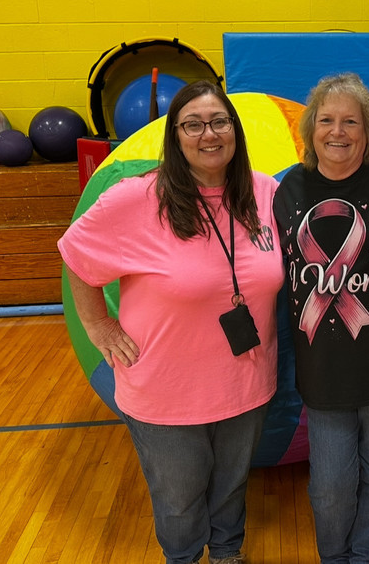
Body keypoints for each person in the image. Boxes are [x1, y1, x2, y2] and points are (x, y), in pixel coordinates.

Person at [57, 80, 283, 564]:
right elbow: (75, 255)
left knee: (230, 489)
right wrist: (100, 326)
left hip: (246, 380)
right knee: (179, 504)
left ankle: (227, 555)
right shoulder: (137, 199)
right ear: (175, 136)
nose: (209, 134)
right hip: (166, 390)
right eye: (193, 124)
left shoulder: (265, 193)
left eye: (220, 122)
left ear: (236, 131)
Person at [272, 72, 369, 564]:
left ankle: (368, 557)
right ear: (311, 129)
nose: (338, 132)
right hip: (324, 372)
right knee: (331, 487)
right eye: (327, 120)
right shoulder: (287, 189)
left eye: (350, 121)